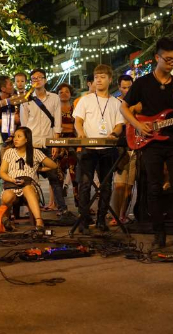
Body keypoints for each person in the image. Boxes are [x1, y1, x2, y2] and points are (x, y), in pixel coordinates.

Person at [121, 37, 173, 250]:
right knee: (154, 188)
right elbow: (123, 108)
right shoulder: (142, 83)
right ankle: (158, 233)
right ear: (157, 58)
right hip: (151, 144)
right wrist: (138, 126)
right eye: (168, 59)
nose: (172, 63)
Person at [74, 64, 125, 233]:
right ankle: (83, 220)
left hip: (107, 148)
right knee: (85, 185)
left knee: (106, 185)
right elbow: (78, 121)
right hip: (89, 148)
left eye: (103, 77)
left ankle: (101, 220)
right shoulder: (85, 99)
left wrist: (114, 134)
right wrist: (81, 133)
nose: (99, 80)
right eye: (96, 77)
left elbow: (119, 125)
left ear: (110, 80)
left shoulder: (116, 102)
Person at [19, 68, 68, 216]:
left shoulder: (54, 98)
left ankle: (62, 209)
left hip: (47, 142)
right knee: (30, 178)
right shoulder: (25, 99)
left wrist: (55, 143)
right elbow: (24, 125)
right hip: (32, 144)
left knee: (54, 176)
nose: (37, 80)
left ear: (45, 80)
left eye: (40, 78)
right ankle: (32, 210)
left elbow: (57, 123)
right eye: (33, 78)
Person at [0, 127, 59, 231]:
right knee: (7, 195)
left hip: (29, 185)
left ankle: (39, 222)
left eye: (19, 136)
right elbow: (2, 172)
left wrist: (40, 168)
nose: (15, 139)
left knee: (27, 188)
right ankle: (5, 219)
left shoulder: (35, 152)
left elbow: (54, 165)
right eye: (15, 137)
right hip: (12, 185)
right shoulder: (9, 152)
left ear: (27, 139)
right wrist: (12, 180)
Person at [112, 75, 139, 225]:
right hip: (121, 149)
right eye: (124, 87)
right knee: (119, 185)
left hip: (136, 146)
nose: (127, 90)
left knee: (129, 187)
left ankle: (122, 215)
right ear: (119, 87)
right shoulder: (116, 103)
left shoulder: (139, 103)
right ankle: (115, 216)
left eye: (129, 87)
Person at [56, 83, 79, 208]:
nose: (64, 94)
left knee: (75, 175)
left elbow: (77, 126)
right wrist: (67, 127)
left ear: (70, 94)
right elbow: (53, 127)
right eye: (61, 92)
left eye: (66, 91)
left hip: (73, 144)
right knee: (59, 176)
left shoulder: (75, 109)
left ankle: (80, 204)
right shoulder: (54, 109)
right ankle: (61, 207)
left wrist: (61, 127)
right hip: (58, 144)